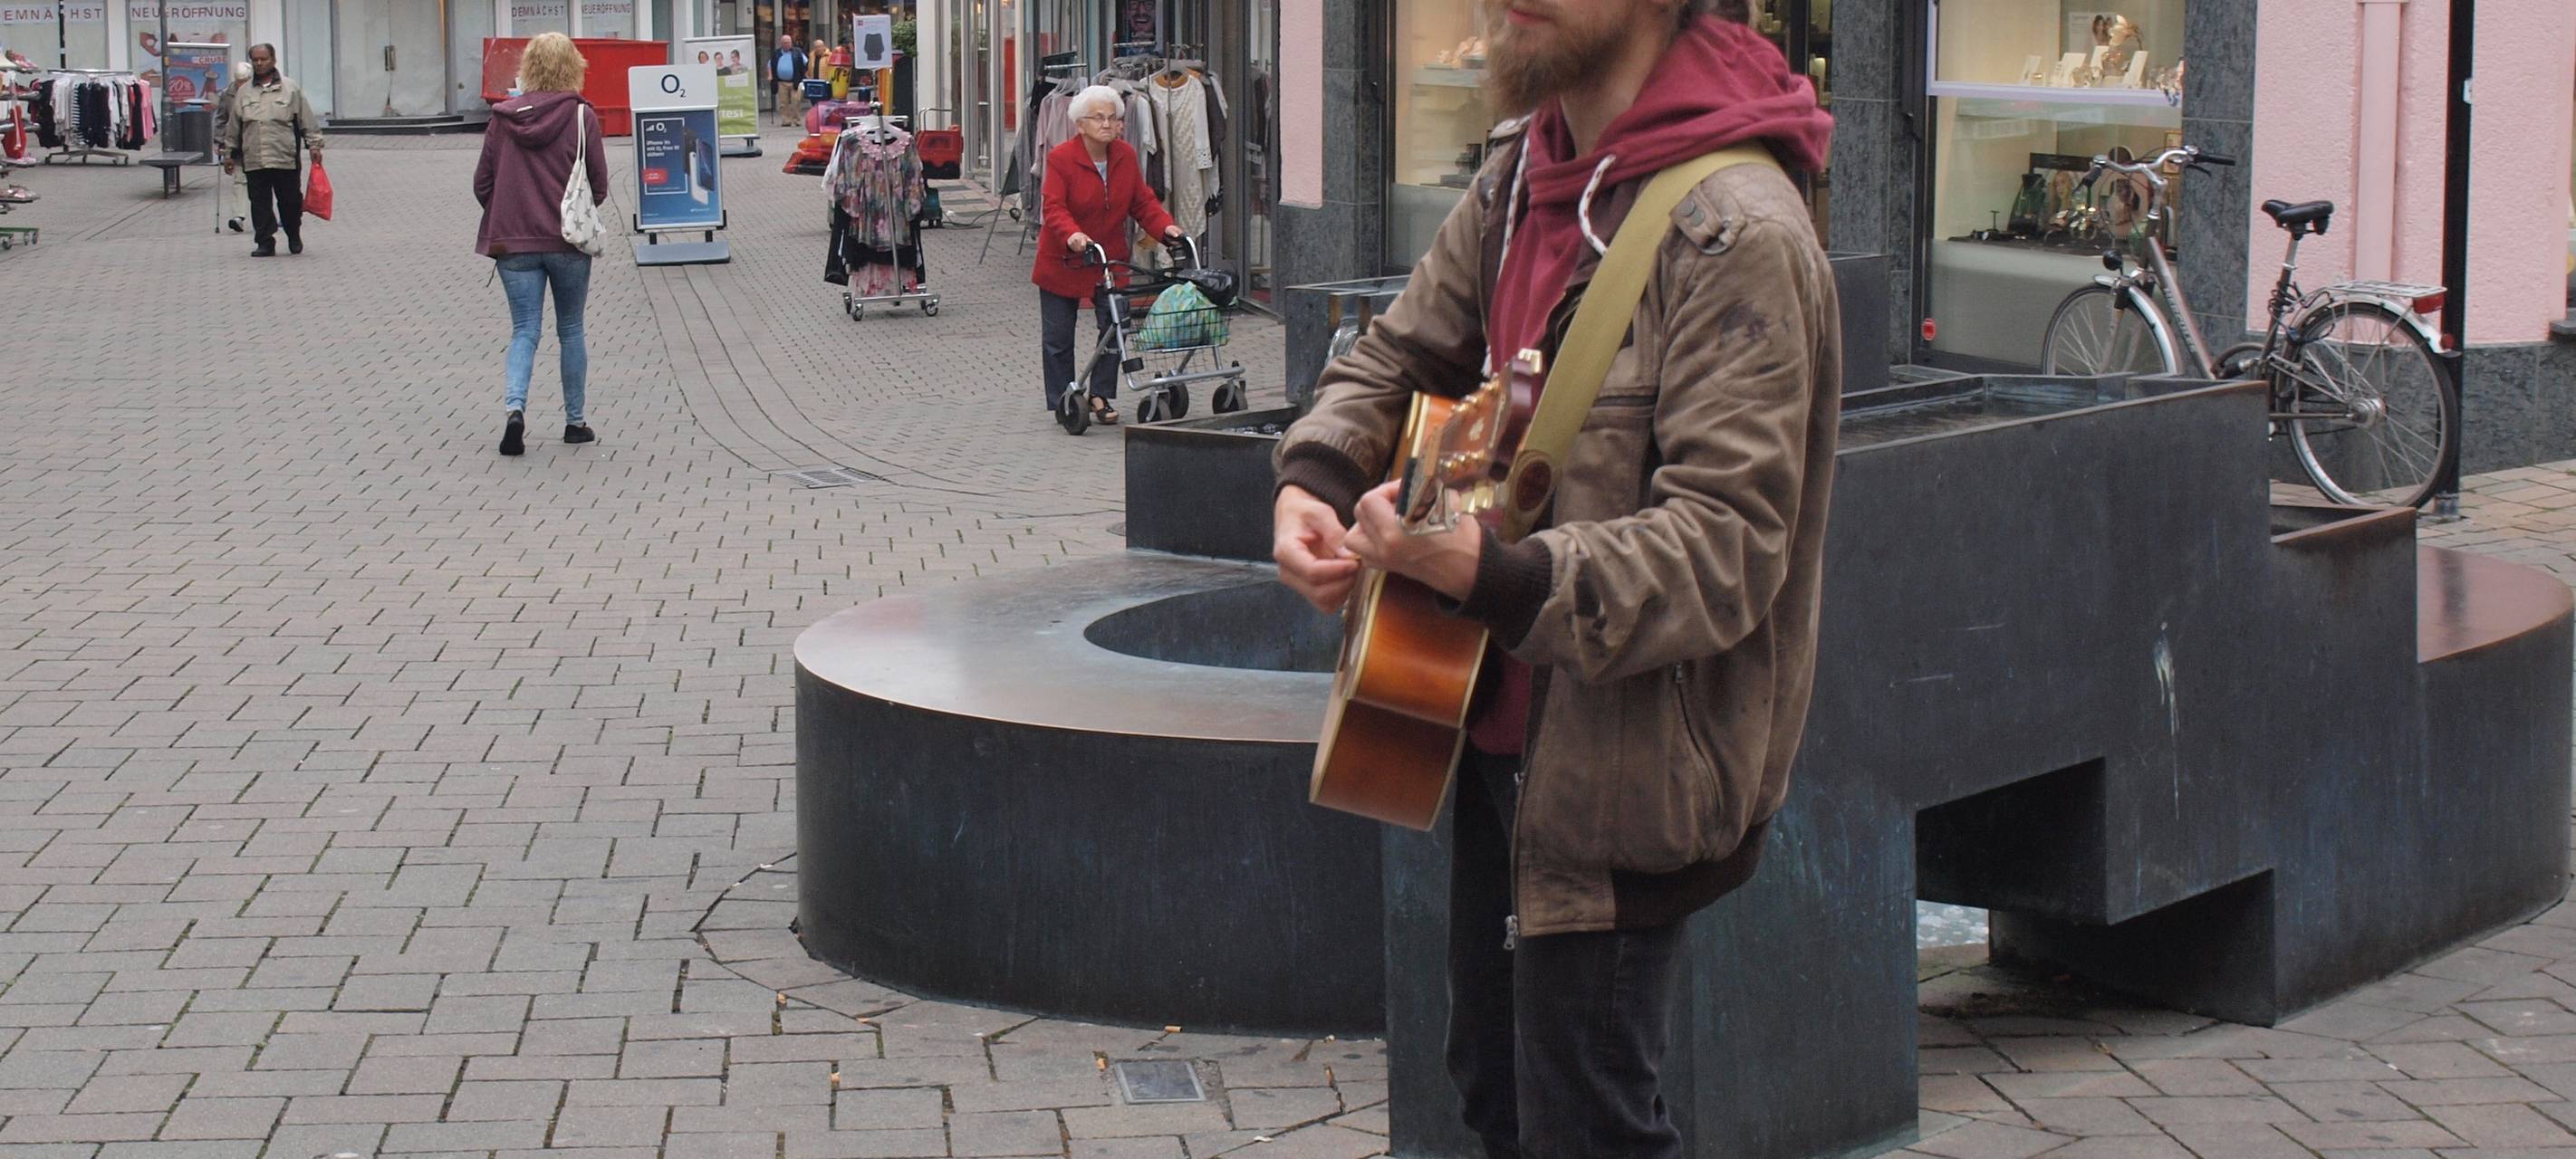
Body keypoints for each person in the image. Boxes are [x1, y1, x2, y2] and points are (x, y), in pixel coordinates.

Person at [1269, 0, 1839, 1155]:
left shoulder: (1742, 230)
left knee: (1589, 1123)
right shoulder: (1525, 167)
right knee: (1493, 1091)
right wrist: (1314, 479)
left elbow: (1727, 546)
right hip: (1484, 733)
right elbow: (1400, 349)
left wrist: (1496, 570)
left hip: (1626, 770)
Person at [473, 32, 609, 457]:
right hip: (567, 241)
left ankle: (515, 410)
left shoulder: (502, 117)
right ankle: (575, 422)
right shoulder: (581, 116)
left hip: (514, 242)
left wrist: (509, 213)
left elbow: (482, 183)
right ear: (574, 67)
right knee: (570, 329)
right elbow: (599, 185)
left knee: (524, 330)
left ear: (528, 67)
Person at [1032, 84, 1185, 427]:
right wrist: (1072, 234)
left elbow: (1142, 202)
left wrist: (1167, 229)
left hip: (1108, 258)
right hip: (1065, 258)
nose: (1107, 124)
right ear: (1079, 123)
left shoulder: (1125, 155)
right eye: (1098, 118)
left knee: (1114, 328)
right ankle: (1064, 400)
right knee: (1058, 337)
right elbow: (1053, 206)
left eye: (1113, 118)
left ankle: (1100, 394)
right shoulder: (1061, 158)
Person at [222, 43, 322, 257]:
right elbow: (234, 126)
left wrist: (314, 145)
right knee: (259, 203)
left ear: (273, 60)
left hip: (284, 156)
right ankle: (265, 241)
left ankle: (293, 234)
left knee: (290, 201)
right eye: (255, 60)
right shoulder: (244, 92)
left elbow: (306, 119)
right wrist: (229, 153)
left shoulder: (290, 88)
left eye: (263, 59)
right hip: (254, 157)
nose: (259, 63)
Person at [213, 60, 251, 234]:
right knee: (239, 180)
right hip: (237, 143)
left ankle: (276, 214)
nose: (240, 83)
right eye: (238, 80)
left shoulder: (260, 91)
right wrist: (219, 141)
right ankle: (239, 216)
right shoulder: (228, 93)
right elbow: (222, 118)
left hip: (259, 143)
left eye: (244, 80)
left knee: (266, 181)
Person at [771, 34, 807, 127]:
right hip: (781, 82)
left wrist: (803, 77)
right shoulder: (776, 54)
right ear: (781, 44)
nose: (787, 44)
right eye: (785, 43)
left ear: (791, 43)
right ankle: (786, 120)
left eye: (788, 42)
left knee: (796, 101)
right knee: (783, 103)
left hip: (795, 81)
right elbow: (770, 65)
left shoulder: (798, 52)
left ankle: (796, 120)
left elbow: (806, 63)